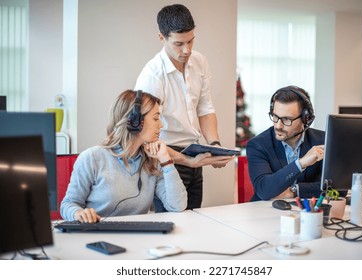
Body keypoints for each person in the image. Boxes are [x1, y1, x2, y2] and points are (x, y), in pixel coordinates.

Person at [135, 4, 233, 211]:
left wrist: (214, 145)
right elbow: (146, 137)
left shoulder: (200, 61)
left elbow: (205, 108)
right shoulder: (152, 76)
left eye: (191, 41)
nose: (187, 50)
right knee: (171, 223)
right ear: (162, 38)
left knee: (194, 219)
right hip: (165, 156)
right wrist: (187, 161)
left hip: (194, 149)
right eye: (179, 44)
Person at [60, 90, 187, 223]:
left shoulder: (153, 161)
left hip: (138, 237)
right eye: (155, 118)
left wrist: (166, 161)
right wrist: (78, 213)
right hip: (98, 235)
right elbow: (68, 204)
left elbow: (177, 206)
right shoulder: (92, 158)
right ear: (135, 122)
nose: (161, 125)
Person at [246, 85, 325, 201]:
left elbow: (338, 188)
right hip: (265, 212)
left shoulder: (322, 141)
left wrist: (295, 190)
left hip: (308, 212)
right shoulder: (258, 144)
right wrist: (301, 163)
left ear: (305, 118)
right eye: (275, 116)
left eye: (287, 119)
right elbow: (264, 190)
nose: (278, 126)